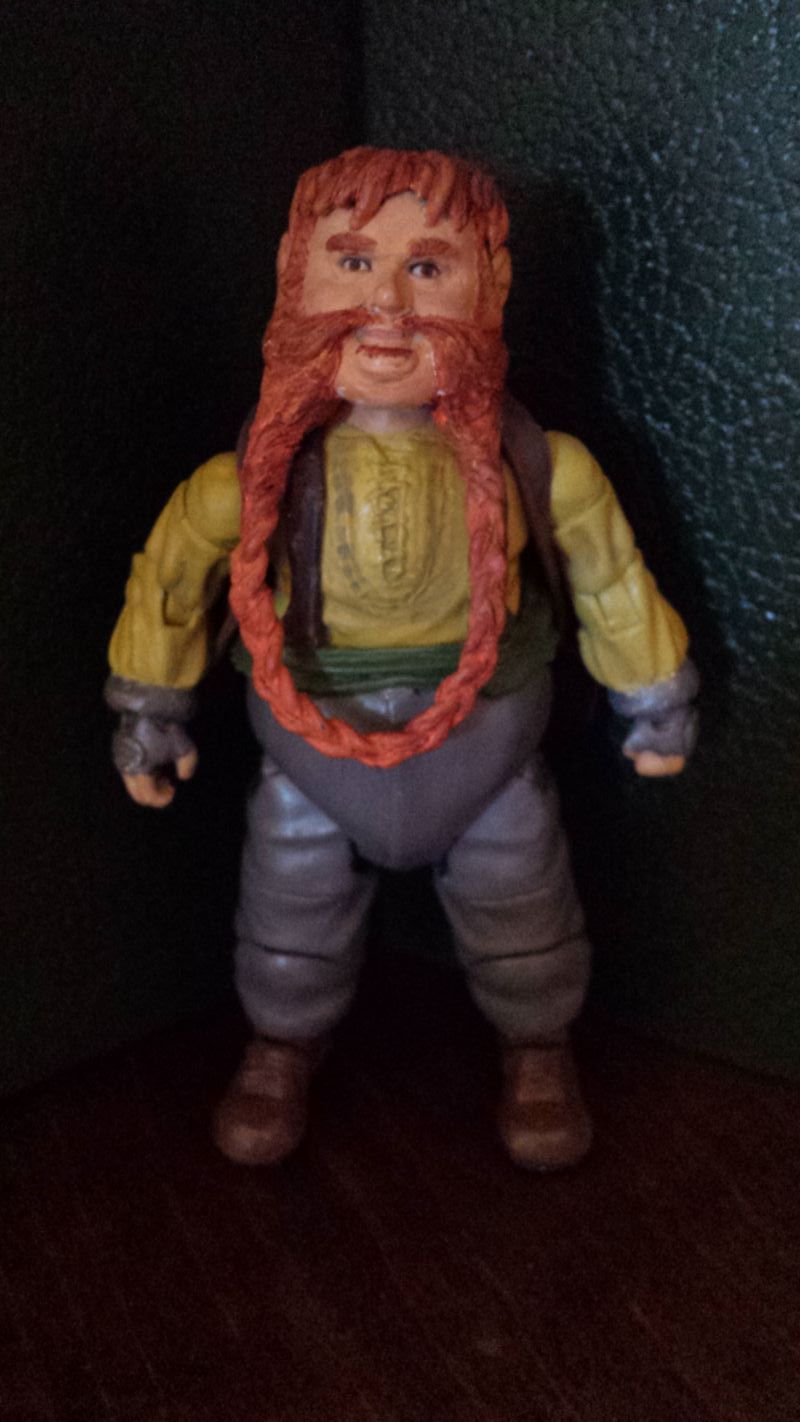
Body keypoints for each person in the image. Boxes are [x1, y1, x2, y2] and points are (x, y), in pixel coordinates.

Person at [106, 147, 698, 1171]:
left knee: (521, 903)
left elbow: (609, 581)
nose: (385, 302)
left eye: (427, 268)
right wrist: (148, 709)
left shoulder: (538, 470)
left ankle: (538, 1047)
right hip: (306, 740)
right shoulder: (251, 479)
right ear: (294, 276)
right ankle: (279, 1044)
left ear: (490, 287)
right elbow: (171, 581)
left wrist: (655, 695)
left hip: (489, 734)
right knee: (289, 905)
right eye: (350, 261)